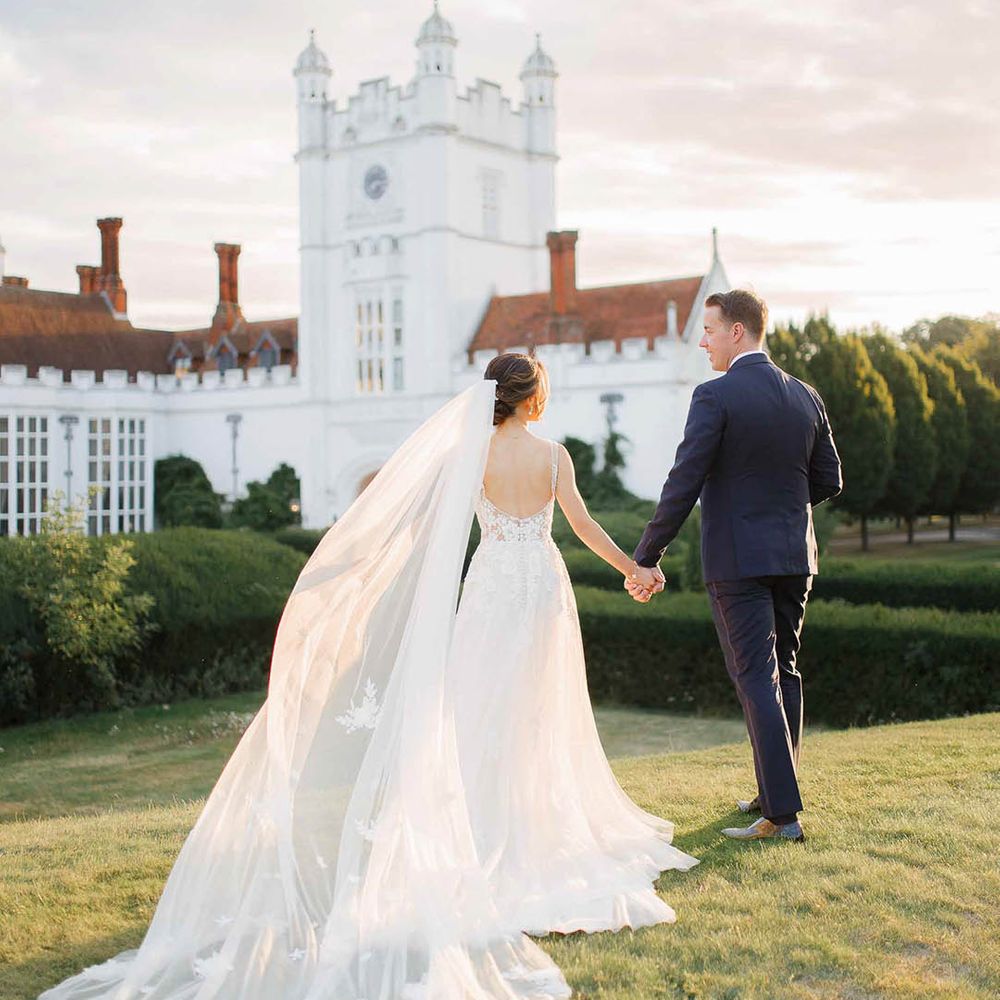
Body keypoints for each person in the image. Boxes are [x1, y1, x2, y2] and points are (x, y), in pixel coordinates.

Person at [40, 353, 696, 1000]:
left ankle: (479, 830)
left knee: (474, 708)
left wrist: (353, 572)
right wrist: (633, 569)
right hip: (540, 588)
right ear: (532, 396)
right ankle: (531, 826)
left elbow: (417, 521)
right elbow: (581, 526)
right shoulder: (555, 456)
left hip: (492, 585)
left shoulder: (469, 454)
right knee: (536, 710)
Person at [627, 289, 842, 843]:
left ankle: (782, 816)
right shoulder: (806, 395)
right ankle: (776, 792)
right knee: (784, 671)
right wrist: (780, 511)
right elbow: (829, 480)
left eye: (710, 330)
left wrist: (646, 554)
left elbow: (684, 480)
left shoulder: (714, 395)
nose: (703, 341)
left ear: (737, 332)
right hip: (796, 556)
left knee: (756, 679)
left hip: (738, 561)